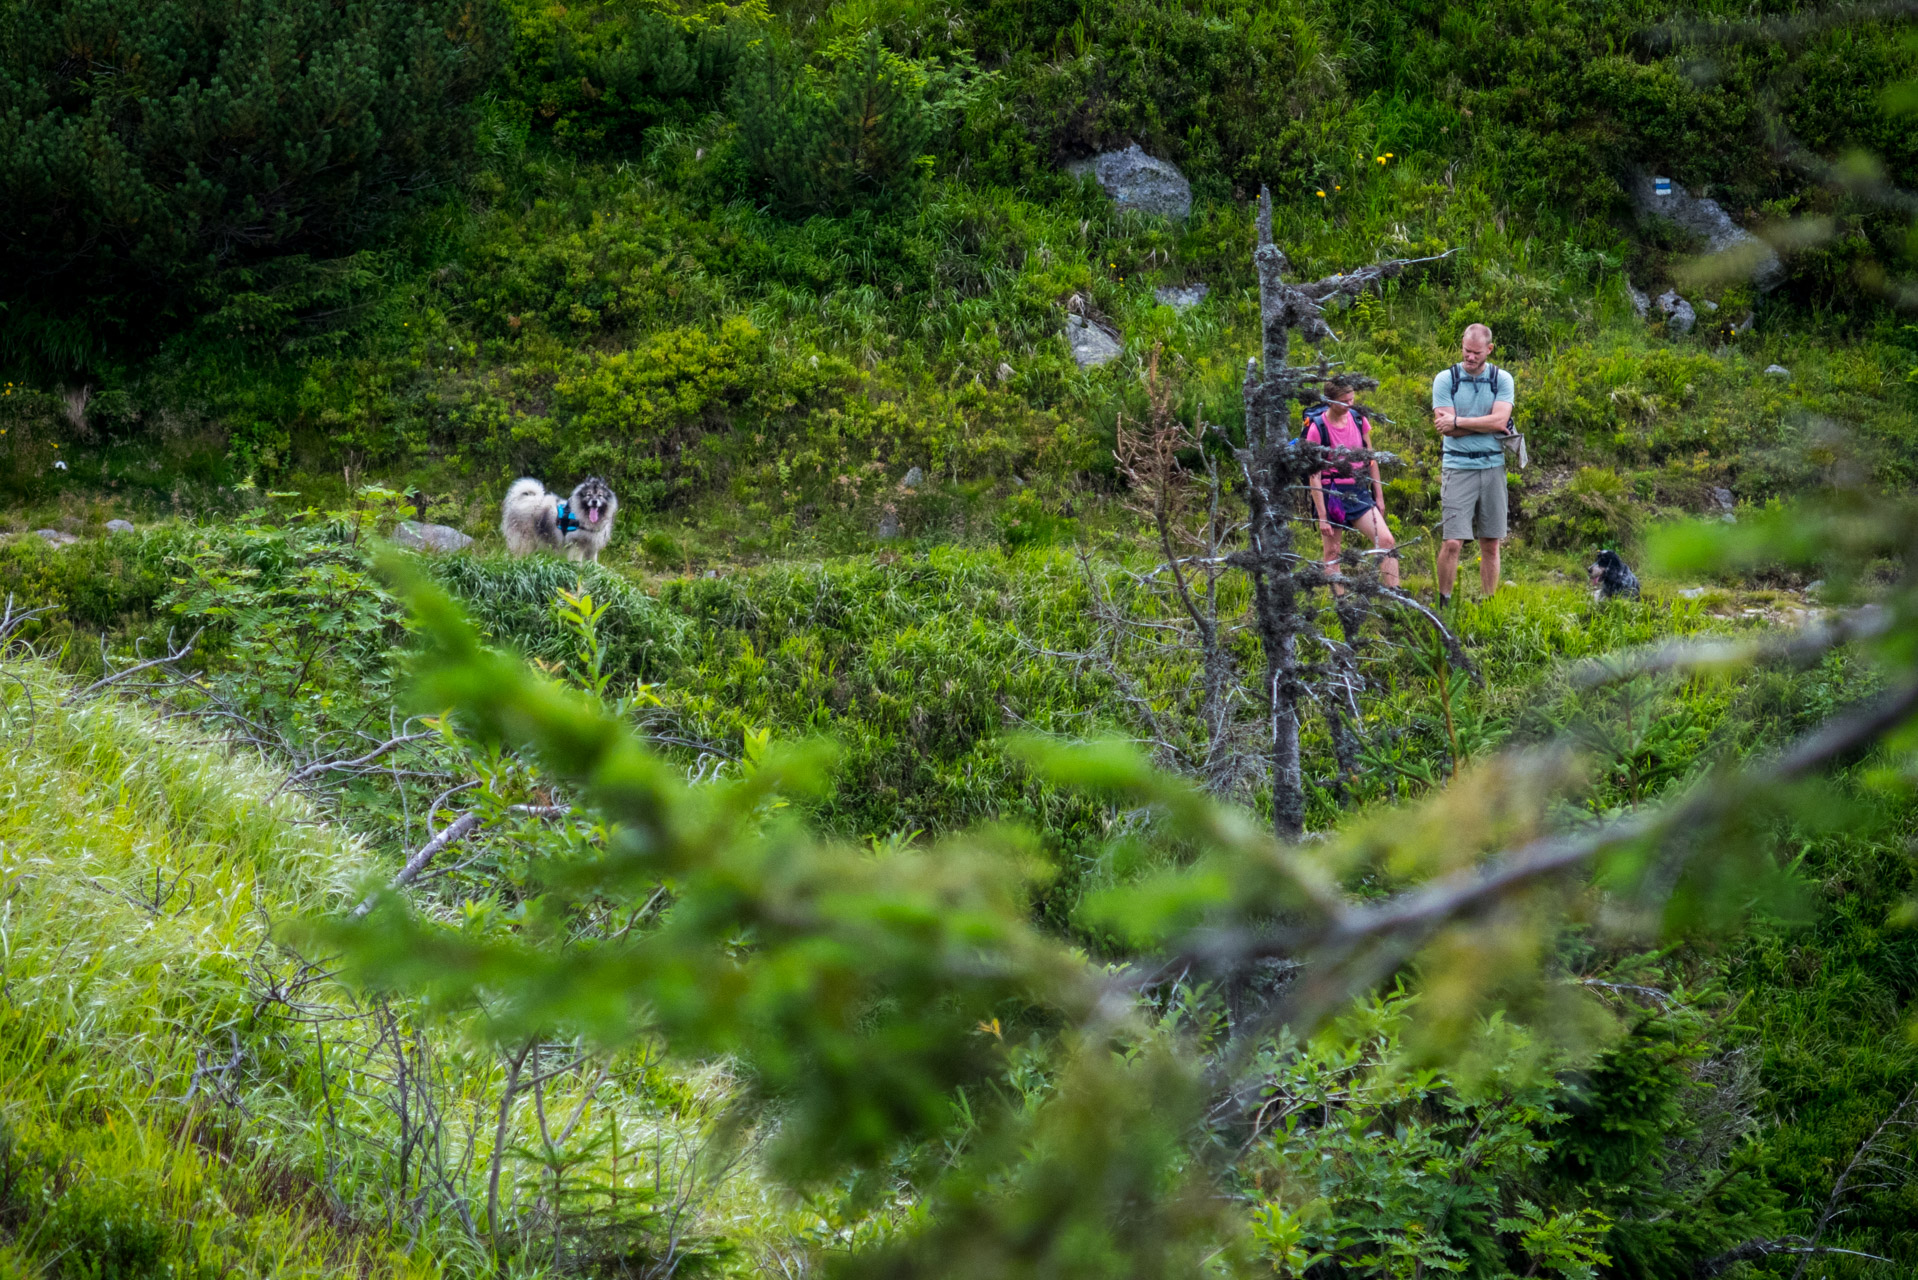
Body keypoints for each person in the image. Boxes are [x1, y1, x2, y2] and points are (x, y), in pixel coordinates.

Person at [1431, 324, 1515, 606]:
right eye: (1466, 351)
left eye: (1476, 353)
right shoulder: (1445, 379)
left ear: (1489, 350)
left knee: (1490, 542)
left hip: (1493, 467)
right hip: (1457, 467)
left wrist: (1458, 421)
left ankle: (1488, 603)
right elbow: (1446, 429)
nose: (1469, 357)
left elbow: (1500, 421)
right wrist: (1485, 424)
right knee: (1452, 541)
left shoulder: (1502, 379)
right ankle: (1445, 603)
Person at [1304, 374, 1399, 589]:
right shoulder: (1317, 428)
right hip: (1332, 492)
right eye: (1344, 401)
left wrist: (1379, 497)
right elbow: (1314, 476)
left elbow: (1370, 459)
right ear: (1330, 401)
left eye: (1351, 399)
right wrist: (1322, 517)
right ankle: (1341, 602)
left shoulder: (1358, 419)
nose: (1349, 404)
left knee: (1386, 541)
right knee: (1332, 552)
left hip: (1358, 490)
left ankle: (1395, 594)